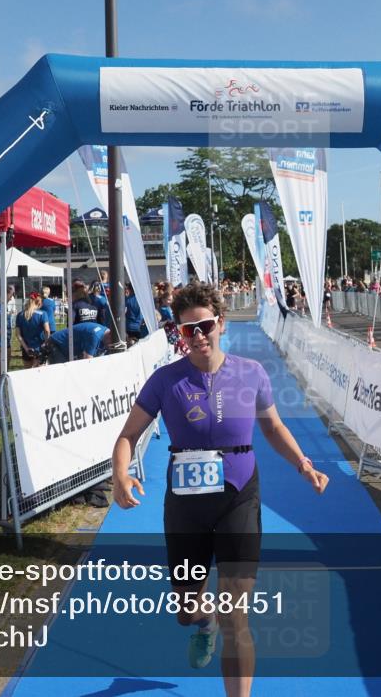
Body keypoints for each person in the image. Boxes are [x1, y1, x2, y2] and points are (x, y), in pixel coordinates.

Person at [111, 283, 328, 697]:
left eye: (205, 325)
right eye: (187, 329)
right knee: (187, 611)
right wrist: (121, 474)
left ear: (221, 324)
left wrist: (303, 464)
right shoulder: (165, 380)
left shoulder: (251, 373)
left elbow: (274, 427)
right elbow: (128, 435)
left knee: (236, 616)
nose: (197, 336)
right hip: (186, 506)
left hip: (239, 495)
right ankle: (202, 622)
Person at [15, 294, 50, 369]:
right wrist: (45, 343)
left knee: (27, 374)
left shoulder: (20, 315)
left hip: (26, 349)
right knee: (40, 374)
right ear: (39, 303)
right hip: (40, 348)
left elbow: (18, 334)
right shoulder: (43, 314)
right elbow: (47, 331)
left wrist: (26, 348)